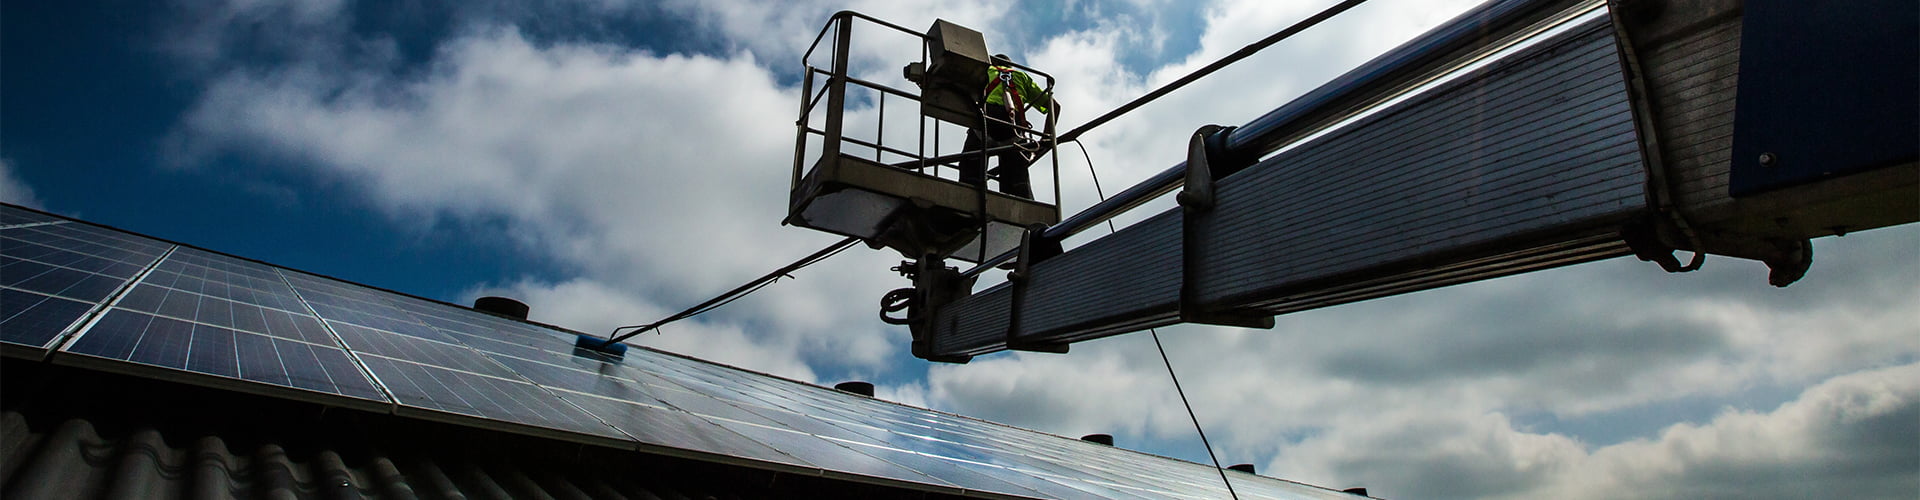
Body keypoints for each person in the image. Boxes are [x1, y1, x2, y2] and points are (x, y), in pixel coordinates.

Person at [960, 54, 1056, 199]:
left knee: (970, 170)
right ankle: (1023, 206)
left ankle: (969, 197)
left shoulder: (986, 70)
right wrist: (1045, 139)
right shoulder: (1022, 77)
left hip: (986, 125)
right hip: (1013, 132)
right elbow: (1055, 107)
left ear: (992, 62)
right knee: (1017, 183)